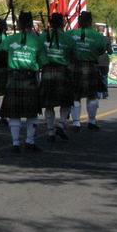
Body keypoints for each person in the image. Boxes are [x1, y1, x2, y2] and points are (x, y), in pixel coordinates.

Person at [0, 12, 48, 152]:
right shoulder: (37, 41)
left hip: (13, 78)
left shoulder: (10, 39)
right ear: (31, 24)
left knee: (14, 113)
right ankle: (30, 142)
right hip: (30, 78)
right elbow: (43, 62)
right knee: (32, 113)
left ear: (18, 24)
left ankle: (15, 144)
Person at [39, 13, 75, 142]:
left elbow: (37, 53)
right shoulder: (69, 39)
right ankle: (61, 124)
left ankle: (50, 132)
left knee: (49, 104)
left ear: (50, 23)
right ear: (63, 23)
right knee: (67, 102)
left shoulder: (42, 37)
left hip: (47, 71)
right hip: (63, 71)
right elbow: (72, 56)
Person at [68, 11, 107, 131]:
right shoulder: (98, 36)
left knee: (75, 96)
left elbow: (66, 49)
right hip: (91, 67)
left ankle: (76, 123)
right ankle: (92, 121)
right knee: (92, 95)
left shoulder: (69, 34)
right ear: (90, 22)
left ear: (79, 22)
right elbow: (101, 51)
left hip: (74, 66)